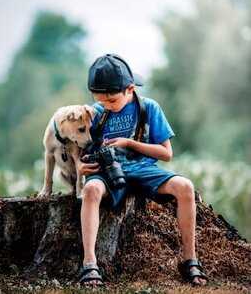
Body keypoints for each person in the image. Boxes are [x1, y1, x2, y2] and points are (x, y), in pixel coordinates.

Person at [77, 53, 207, 288]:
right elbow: (77, 147)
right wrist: (79, 165)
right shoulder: (95, 112)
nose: (106, 106)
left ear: (130, 89)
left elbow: (166, 154)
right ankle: (89, 263)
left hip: (143, 168)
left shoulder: (148, 108)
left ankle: (190, 258)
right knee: (90, 190)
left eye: (112, 101)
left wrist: (129, 143)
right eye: (101, 101)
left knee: (185, 187)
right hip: (107, 171)